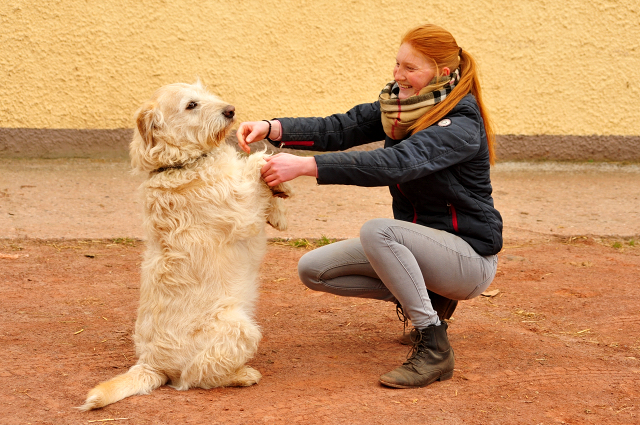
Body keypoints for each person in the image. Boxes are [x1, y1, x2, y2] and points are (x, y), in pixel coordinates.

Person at [236, 24, 503, 389]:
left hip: (469, 260)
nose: (398, 76)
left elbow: (397, 164)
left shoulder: (460, 124)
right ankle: (432, 299)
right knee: (313, 269)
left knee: (379, 231)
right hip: (424, 251)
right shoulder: (400, 107)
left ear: (443, 73)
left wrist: (306, 167)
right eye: (397, 64)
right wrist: (272, 128)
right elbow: (341, 128)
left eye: (411, 68)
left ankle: (434, 345)